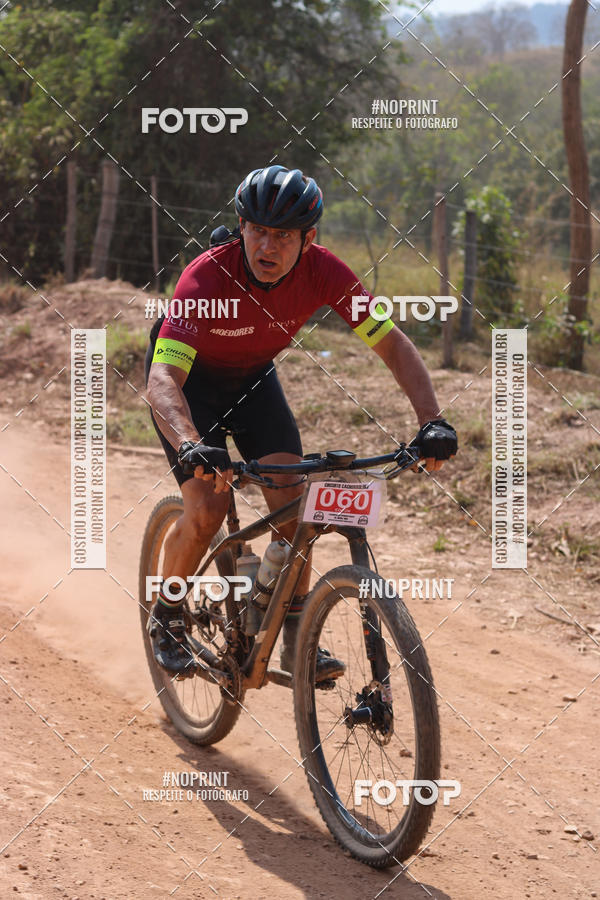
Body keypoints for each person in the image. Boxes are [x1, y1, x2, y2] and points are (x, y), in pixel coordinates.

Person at [144, 164, 457, 679]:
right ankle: (168, 617)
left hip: (252, 385)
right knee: (206, 508)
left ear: (309, 238)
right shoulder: (205, 277)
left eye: (284, 235)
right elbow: (162, 379)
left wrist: (432, 422)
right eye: (259, 231)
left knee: (295, 508)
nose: (268, 247)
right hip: (190, 388)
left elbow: (392, 344)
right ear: (241, 227)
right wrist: (189, 442)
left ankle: (295, 640)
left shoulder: (328, 273)